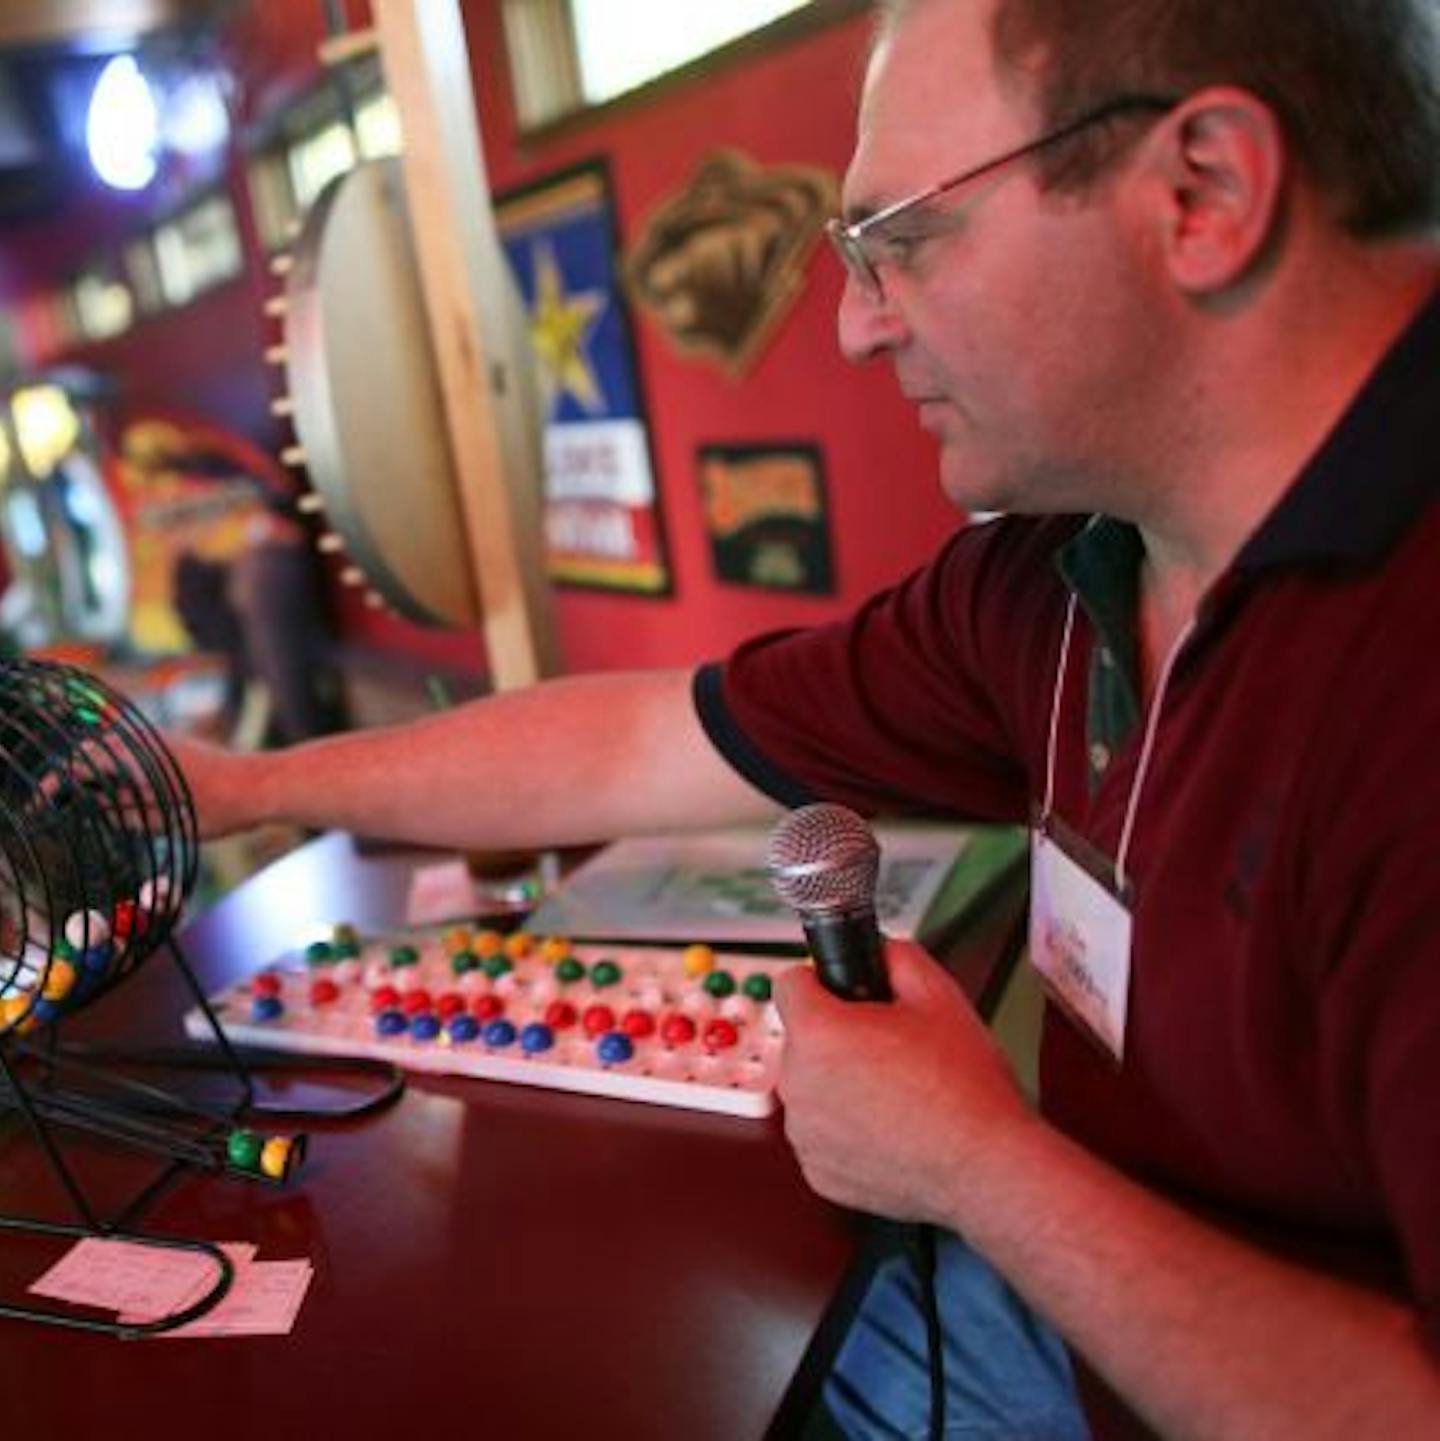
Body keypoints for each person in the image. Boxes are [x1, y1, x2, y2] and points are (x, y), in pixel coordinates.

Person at [170, 0, 1440, 1433]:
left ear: (1200, 191)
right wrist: (232, 781)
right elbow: (645, 739)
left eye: (902, 236)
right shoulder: (1056, 571)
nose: (851, 325)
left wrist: (977, 1163)